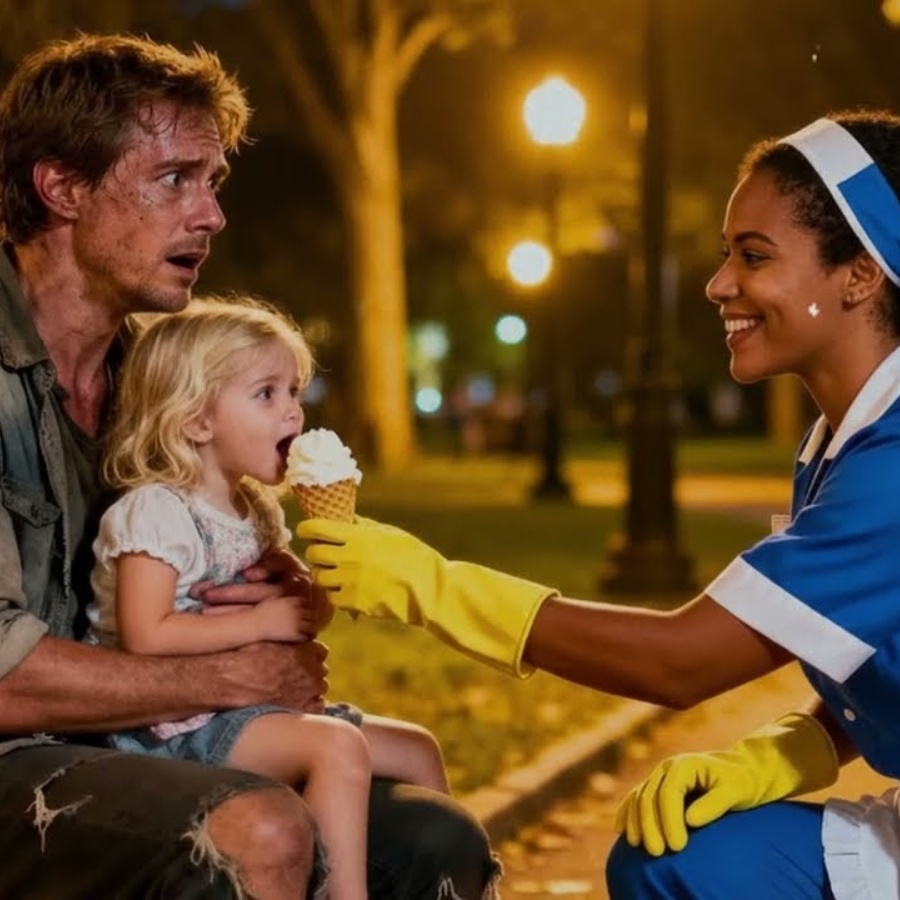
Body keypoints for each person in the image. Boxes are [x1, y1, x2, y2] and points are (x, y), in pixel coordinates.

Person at [298, 108, 900, 900]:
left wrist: (432, 585)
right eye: (726, 255)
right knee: (673, 860)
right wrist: (793, 749)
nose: (720, 284)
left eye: (754, 256)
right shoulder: (841, 441)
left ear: (859, 273)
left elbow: (682, 659)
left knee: (679, 869)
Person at [0, 33, 497, 899]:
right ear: (62, 186)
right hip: (17, 760)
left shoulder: (167, 379)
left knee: (431, 838)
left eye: (213, 182)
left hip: (133, 743)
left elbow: (207, 552)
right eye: (174, 179)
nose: (211, 215)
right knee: (257, 829)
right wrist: (228, 671)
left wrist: (284, 588)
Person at [88, 296, 451, 900]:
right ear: (197, 420)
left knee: (418, 749)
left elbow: (304, 622)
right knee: (336, 746)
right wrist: (261, 617)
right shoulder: (156, 510)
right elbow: (145, 635)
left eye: (294, 393)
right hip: (172, 728)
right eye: (267, 394)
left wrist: (314, 586)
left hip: (248, 714)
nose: (293, 414)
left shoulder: (255, 507)